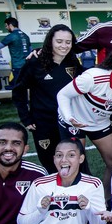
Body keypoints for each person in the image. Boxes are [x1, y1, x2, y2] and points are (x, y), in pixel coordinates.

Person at [57, 44, 112, 198]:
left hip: (99, 123)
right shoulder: (94, 77)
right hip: (73, 121)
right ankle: (77, 201)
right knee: (76, 162)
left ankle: (105, 198)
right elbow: (62, 95)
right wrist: (69, 116)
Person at [13, 25, 81, 173]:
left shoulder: (73, 62)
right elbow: (19, 90)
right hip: (43, 122)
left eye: (68, 42)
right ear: (50, 41)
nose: (64, 46)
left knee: (72, 159)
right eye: (59, 41)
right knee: (49, 161)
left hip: (68, 120)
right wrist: (25, 117)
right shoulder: (34, 62)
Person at [0, 17, 30, 86]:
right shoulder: (25, 36)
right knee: (27, 85)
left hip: (17, 66)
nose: (6, 28)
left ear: (10, 25)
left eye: (6, 26)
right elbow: (30, 50)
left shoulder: (12, 36)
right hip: (27, 65)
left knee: (18, 87)